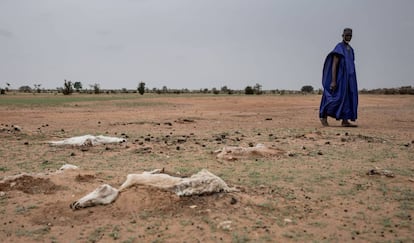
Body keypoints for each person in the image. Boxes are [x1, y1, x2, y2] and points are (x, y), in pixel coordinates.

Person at [319, 28, 358, 127]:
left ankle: (345, 120)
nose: (348, 37)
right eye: (347, 35)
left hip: (350, 79)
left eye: (350, 35)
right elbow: (334, 64)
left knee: (348, 98)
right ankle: (323, 115)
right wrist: (333, 80)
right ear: (342, 35)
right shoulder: (339, 48)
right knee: (336, 98)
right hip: (341, 78)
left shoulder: (351, 49)